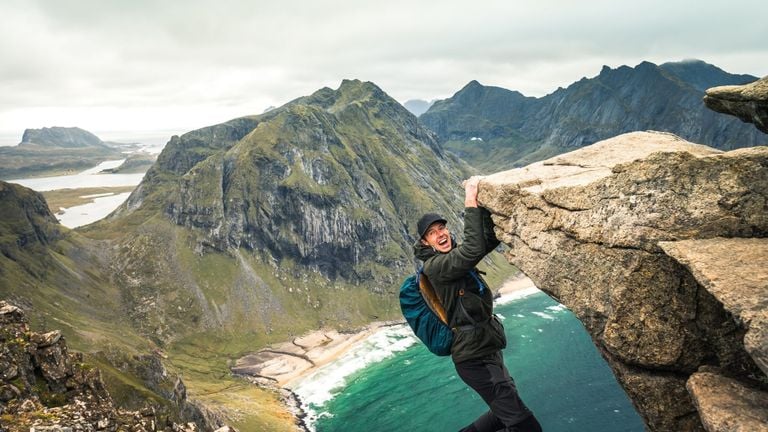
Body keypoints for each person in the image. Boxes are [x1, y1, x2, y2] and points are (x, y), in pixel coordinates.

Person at [413, 176, 542, 432]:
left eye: (442, 228)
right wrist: (471, 199)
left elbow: (484, 242)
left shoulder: (452, 258)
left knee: (501, 414)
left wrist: (488, 206)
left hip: (487, 349)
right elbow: (473, 249)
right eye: (432, 233)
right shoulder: (437, 267)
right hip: (474, 359)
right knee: (526, 427)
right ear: (425, 243)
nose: (440, 234)